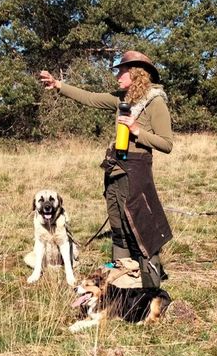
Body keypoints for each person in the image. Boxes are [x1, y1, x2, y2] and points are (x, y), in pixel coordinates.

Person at [39, 51, 173, 288]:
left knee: (140, 227)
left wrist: (136, 130)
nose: (118, 75)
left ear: (135, 73)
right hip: (115, 171)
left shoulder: (156, 102)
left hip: (137, 171)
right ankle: (121, 283)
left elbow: (167, 144)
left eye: (121, 71)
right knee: (118, 225)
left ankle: (150, 285)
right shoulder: (122, 99)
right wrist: (58, 85)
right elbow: (90, 98)